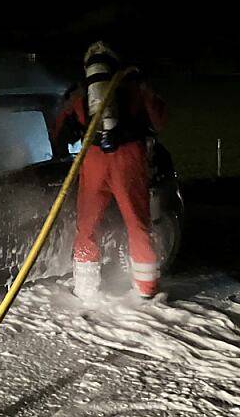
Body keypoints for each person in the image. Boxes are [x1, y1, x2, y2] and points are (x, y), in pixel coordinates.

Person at [51, 41, 167, 298]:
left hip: (93, 159)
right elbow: (159, 120)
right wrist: (146, 89)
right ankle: (147, 290)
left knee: (87, 226)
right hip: (129, 158)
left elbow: (60, 133)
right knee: (138, 224)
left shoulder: (81, 93)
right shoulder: (135, 87)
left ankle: (85, 290)